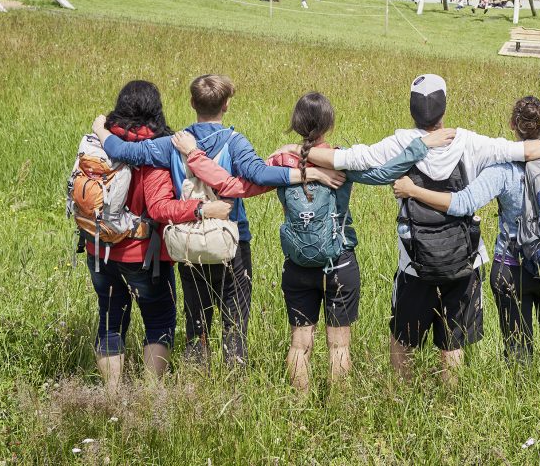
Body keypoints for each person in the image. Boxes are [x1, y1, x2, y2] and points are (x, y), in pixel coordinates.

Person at [296, 74, 540, 382]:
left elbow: (347, 158)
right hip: (463, 260)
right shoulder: (470, 142)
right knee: (453, 343)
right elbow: (523, 152)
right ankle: (451, 398)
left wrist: (300, 151)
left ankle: (399, 393)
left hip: (413, 262)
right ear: (444, 108)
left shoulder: (401, 143)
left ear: (411, 109)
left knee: (403, 339)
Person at [93, 74, 336, 368]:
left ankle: (196, 381)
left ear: (192, 103)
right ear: (227, 105)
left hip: (189, 243)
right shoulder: (235, 143)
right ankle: (232, 384)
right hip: (232, 243)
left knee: (197, 325)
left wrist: (101, 129)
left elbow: (122, 151)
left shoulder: (172, 143)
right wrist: (304, 171)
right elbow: (259, 175)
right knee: (235, 324)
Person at [393, 95, 540, 364]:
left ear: (513, 125)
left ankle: (521, 398)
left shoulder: (503, 165)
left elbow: (462, 204)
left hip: (512, 266)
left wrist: (414, 190)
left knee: (518, 348)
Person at [257, 92, 456, 391]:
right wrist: (420, 146)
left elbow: (255, 174)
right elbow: (384, 173)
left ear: (296, 123)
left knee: (299, 344)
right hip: (339, 262)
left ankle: (298, 407)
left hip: (296, 263)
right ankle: (338, 410)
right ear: (329, 123)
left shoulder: (280, 160)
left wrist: (296, 160)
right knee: (339, 347)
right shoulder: (339, 159)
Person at [84, 80, 226, 391]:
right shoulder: (157, 150)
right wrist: (203, 208)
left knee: (110, 321)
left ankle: (111, 396)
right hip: (143, 256)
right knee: (159, 322)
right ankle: (149, 399)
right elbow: (161, 209)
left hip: (98, 249)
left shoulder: (96, 142)